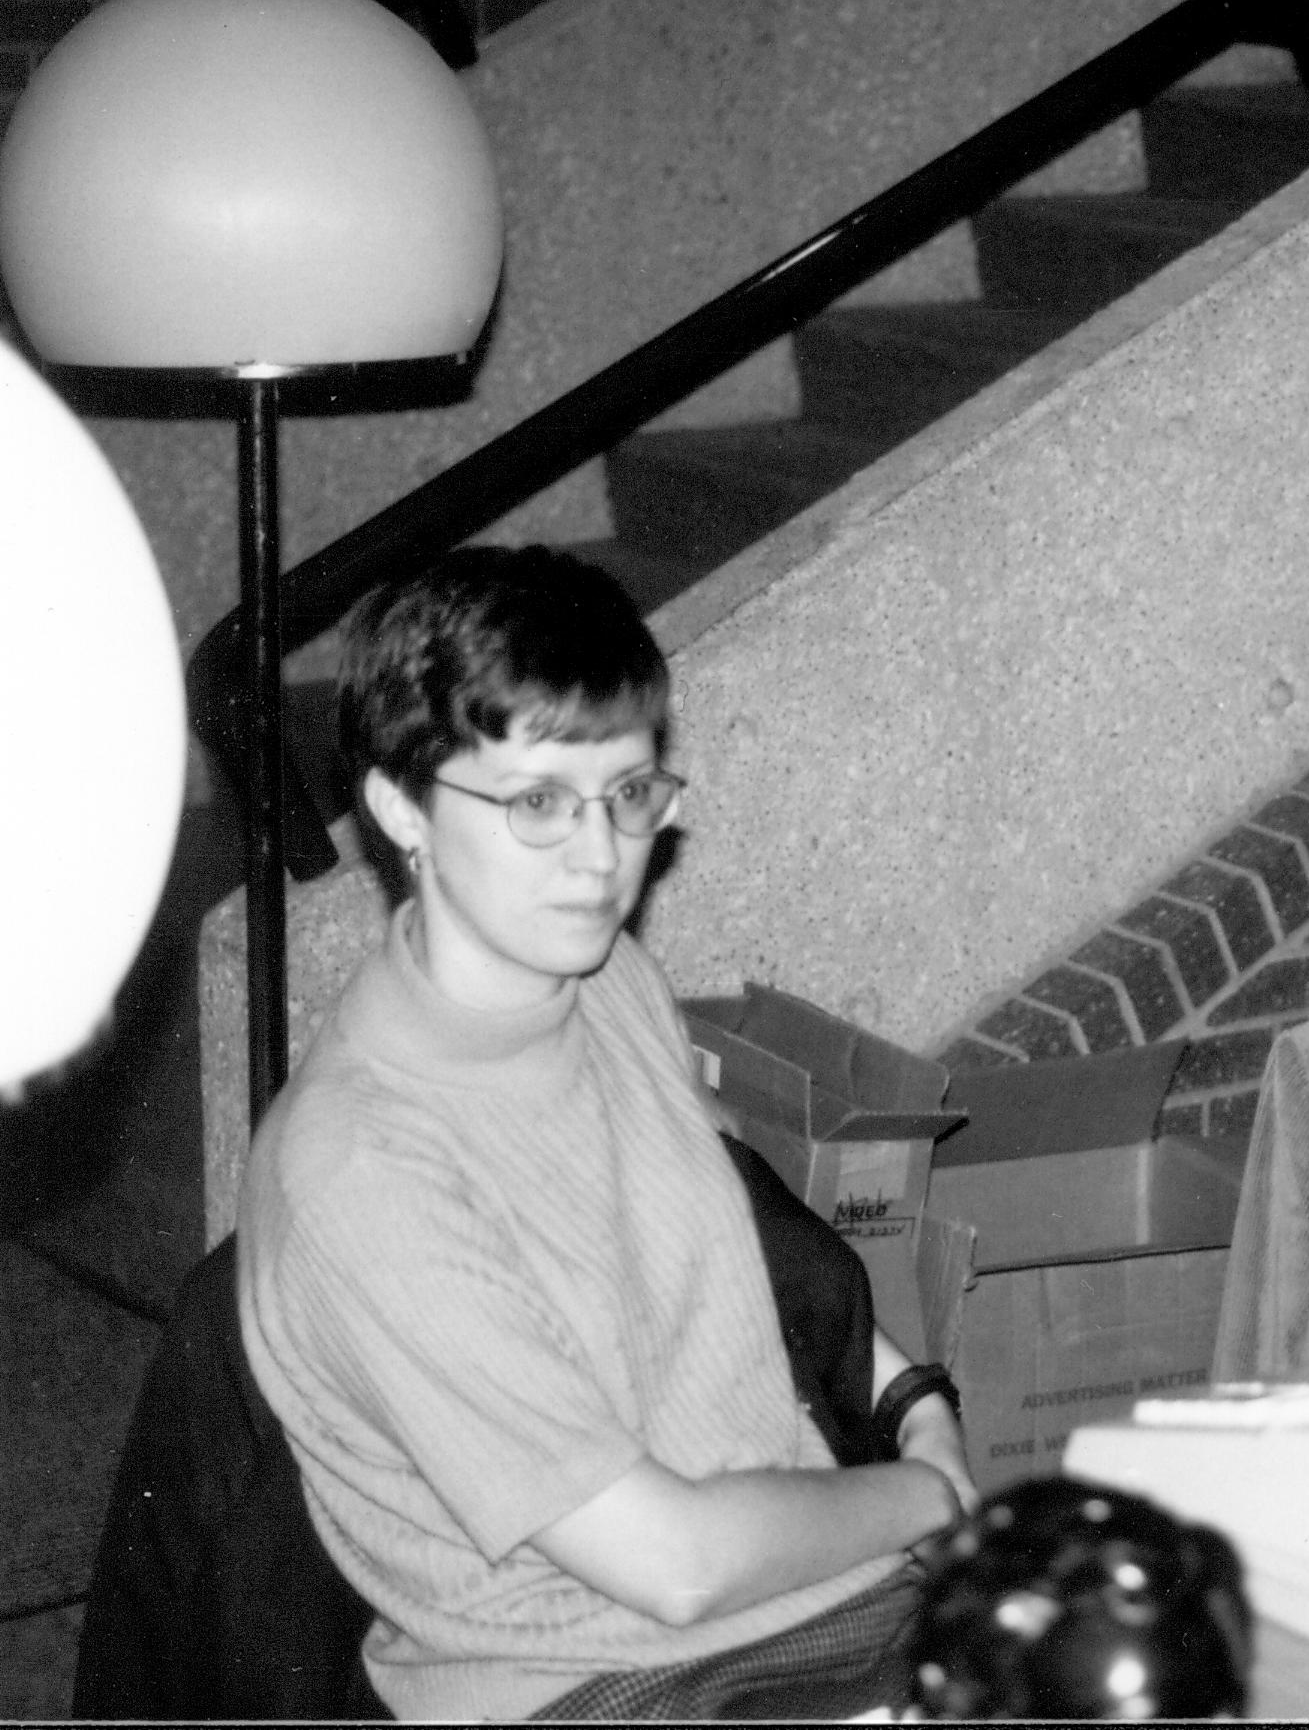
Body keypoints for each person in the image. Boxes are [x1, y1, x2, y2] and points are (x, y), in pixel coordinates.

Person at [237, 546, 974, 1720]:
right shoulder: (362, 1171)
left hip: (815, 1603)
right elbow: (673, 1564)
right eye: (537, 801)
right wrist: (927, 1496)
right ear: (398, 807)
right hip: (593, 1682)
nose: (601, 857)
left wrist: (913, 1403)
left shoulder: (600, 978)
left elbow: (751, 1239)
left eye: (631, 793)